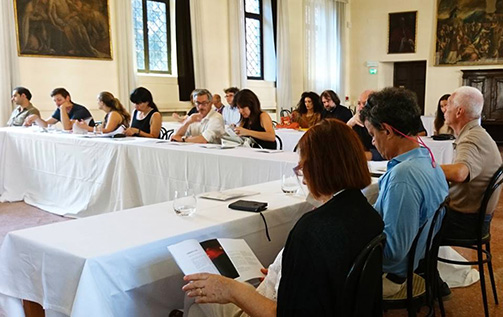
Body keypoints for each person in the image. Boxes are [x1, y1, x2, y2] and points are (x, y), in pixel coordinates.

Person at [182, 119, 384, 316]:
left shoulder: (312, 230)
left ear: (317, 169)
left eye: (302, 167)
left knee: (195, 297)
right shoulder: (367, 213)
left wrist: (231, 290)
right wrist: (285, 275)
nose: (302, 177)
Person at [360, 87, 448, 297]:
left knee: (316, 270)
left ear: (388, 131)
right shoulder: (428, 159)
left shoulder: (403, 177)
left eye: (373, 134)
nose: (372, 141)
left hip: (392, 276)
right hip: (414, 261)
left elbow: (392, 254)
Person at [440, 86, 502, 240]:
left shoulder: (471, 138)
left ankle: (416, 263)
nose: (445, 109)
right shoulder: (476, 133)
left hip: (465, 222)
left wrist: (425, 168)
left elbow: (460, 173)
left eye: (448, 104)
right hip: (475, 219)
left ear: (459, 111)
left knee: (412, 218)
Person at [24, 87, 94, 130]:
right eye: (55, 101)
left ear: (67, 98)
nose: (57, 103)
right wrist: (37, 118)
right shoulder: (59, 110)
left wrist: (63, 108)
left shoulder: (80, 110)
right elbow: (46, 125)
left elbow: (67, 127)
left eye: (59, 100)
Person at [346, 90, 383, 161]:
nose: (360, 108)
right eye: (359, 103)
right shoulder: (355, 123)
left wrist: (369, 155)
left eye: (364, 104)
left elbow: (389, 151)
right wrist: (348, 126)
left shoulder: (382, 123)